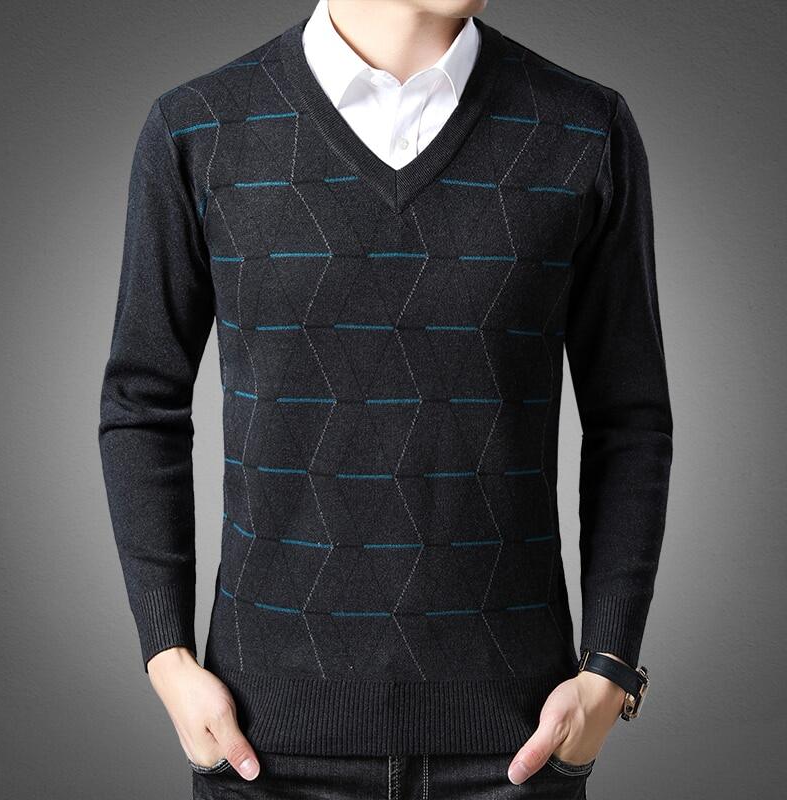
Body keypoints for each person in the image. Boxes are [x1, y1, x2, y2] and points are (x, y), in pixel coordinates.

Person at [97, 0, 673, 797]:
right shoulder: (199, 128)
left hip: (516, 746)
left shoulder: (583, 129)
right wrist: (167, 658)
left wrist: (610, 668)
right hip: (265, 746)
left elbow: (629, 419)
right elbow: (141, 400)